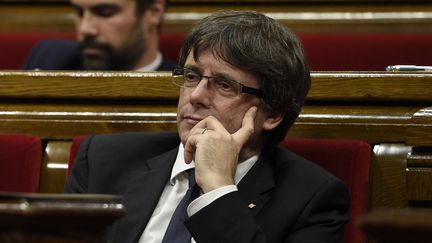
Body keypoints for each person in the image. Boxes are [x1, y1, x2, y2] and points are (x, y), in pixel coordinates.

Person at [65, 10, 348, 243]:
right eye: (191, 76)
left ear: (272, 113)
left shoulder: (312, 198)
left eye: (225, 85)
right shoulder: (103, 159)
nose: (196, 96)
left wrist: (217, 187)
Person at [22, 0, 176, 71]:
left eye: (105, 13)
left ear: (154, 13)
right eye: (79, 13)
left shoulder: (187, 89)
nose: (85, 29)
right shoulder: (49, 59)